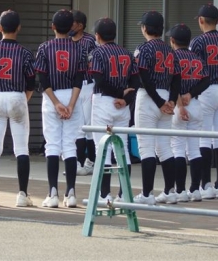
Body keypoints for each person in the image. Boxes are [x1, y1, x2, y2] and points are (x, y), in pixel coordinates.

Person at [0, 10, 36, 207]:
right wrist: (24, 98)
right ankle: (22, 194)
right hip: (17, 96)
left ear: (0, 28)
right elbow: (31, 81)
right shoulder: (25, 52)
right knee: (21, 148)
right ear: (19, 28)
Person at [35, 10, 86, 208]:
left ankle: (53, 193)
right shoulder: (79, 48)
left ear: (53, 27)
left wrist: (56, 102)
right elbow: (79, 79)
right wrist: (71, 104)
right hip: (73, 95)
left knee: (52, 145)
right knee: (70, 145)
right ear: (72, 27)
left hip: (52, 97)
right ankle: (71, 193)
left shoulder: (44, 47)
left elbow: (43, 79)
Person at [88, 18, 139, 201]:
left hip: (104, 101)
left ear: (97, 35)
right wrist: (125, 99)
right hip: (122, 105)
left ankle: (105, 194)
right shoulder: (127, 53)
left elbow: (99, 80)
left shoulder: (97, 53)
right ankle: (124, 194)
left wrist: (119, 94)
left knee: (102, 149)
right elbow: (135, 81)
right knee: (122, 149)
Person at [133, 11, 178, 205]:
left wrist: (160, 102)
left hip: (149, 98)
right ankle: (170, 191)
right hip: (166, 96)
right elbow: (177, 78)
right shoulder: (170, 50)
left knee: (146, 147)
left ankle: (147, 194)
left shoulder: (143, 48)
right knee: (164, 147)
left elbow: (143, 78)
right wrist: (172, 101)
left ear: (145, 28)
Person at [190, 4, 218, 200]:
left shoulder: (198, 41)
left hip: (207, 90)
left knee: (204, 138)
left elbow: (193, 69)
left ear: (201, 20)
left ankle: (206, 184)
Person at [167, 24, 210, 202]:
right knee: (194, 149)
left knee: (177, 148)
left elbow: (172, 82)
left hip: (178, 106)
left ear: (172, 40)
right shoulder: (197, 58)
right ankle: (195, 190)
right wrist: (191, 94)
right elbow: (206, 81)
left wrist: (180, 105)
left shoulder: (172, 57)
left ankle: (181, 191)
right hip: (195, 103)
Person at [71, 10, 98, 176]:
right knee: (77, 127)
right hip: (72, 87)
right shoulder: (66, 40)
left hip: (88, 85)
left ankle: (91, 161)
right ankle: (79, 163)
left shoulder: (90, 40)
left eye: (72, 23)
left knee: (88, 126)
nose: (69, 26)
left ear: (80, 25)